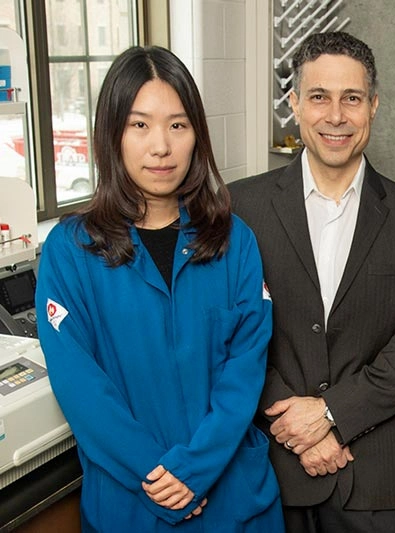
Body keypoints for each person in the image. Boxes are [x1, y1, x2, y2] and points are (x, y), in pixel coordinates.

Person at [35, 46, 283, 532]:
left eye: (177, 125)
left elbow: (245, 368)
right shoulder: (71, 251)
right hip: (133, 502)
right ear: (112, 133)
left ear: (197, 135)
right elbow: (80, 386)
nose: (161, 147)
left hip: (232, 497)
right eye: (139, 125)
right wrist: (154, 474)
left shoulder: (234, 241)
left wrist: (195, 469)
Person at [228, 31, 395, 533]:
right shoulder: (241, 208)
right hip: (270, 466)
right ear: (294, 104)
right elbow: (230, 330)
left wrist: (331, 414)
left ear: (373, 106)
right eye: (318, 97)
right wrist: (293, 424)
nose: (335, 116)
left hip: (373, 477)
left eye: (351, 98)